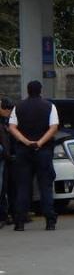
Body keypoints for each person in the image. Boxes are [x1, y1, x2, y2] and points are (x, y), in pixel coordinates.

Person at [9, 81, 59, 231]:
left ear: (27, 91)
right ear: (41, 91)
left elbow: (12, 127)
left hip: (23, 151)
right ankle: (50, 220)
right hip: (43, 151)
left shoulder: (18, 107)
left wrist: (26, 141)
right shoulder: (49, 106)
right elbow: (54, 127)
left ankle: (20, 222)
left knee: (23, 186)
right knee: (45, 185)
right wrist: (40, 143)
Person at [0, 97, 14, 227]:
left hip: (4, 158)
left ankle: (4, 215)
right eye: (4, 107)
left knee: (3, 188)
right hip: (3, 157)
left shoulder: (5, 121)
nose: (7, 110)